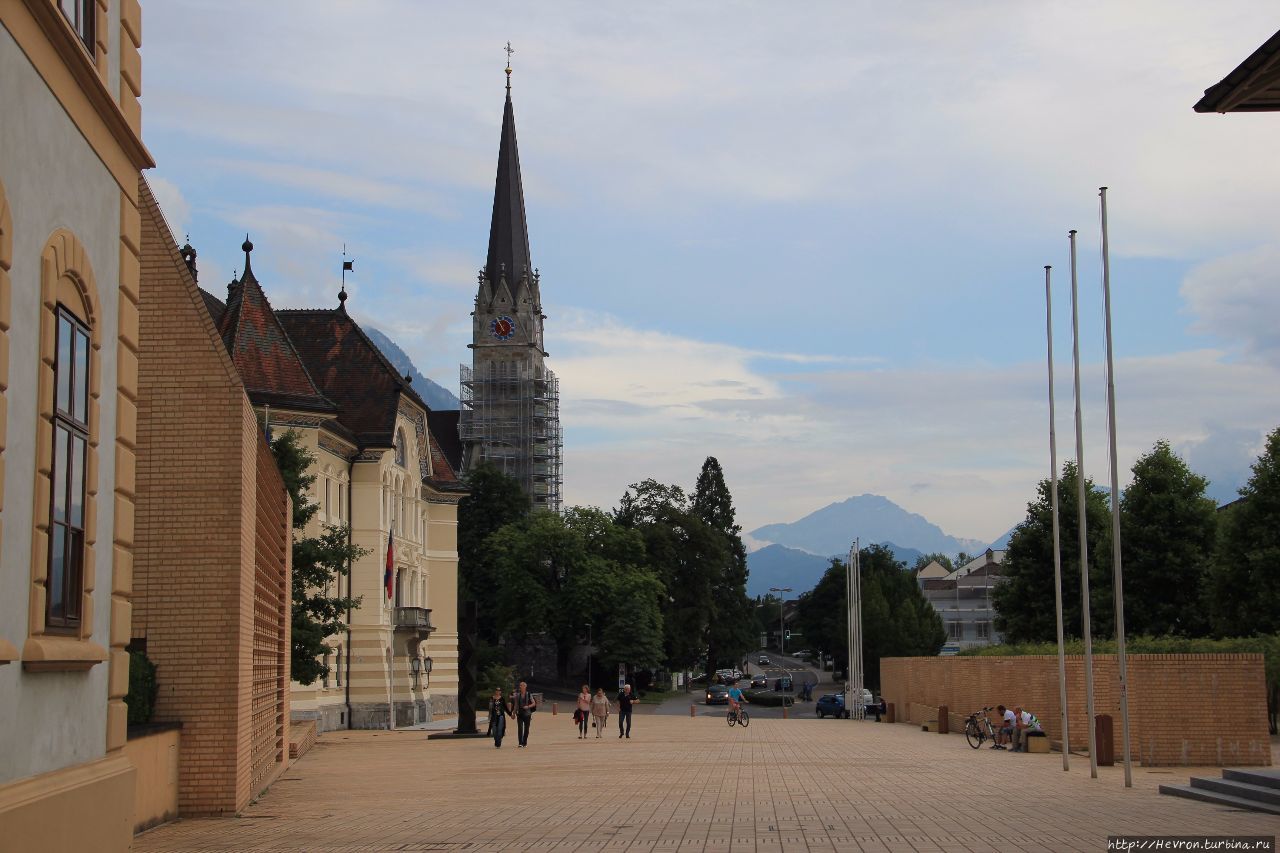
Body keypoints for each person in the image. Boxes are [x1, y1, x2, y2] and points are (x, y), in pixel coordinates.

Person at [515, 681, 537, 748]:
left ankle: (525, 742)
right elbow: (516, 705)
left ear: (525, 686)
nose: (520, 687)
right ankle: (520, 743)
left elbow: (534, 703)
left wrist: (528, 706)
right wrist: (513, 713)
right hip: (519, 714)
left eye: (522, 685)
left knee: (526, 729)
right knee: (520, 728)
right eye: (520, 685)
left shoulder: (529, 694)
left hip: (527, 714)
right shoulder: (517, 695)